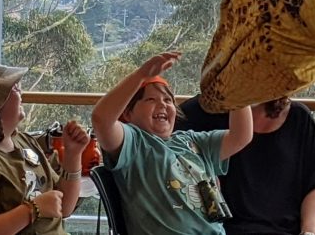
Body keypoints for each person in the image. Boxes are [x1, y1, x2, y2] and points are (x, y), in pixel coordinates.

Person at [91, 51, 253, 235]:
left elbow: (241, 136)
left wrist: (239, 90)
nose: (163, 105)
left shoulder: (193, 140)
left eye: (168, 100)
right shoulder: (134, 143)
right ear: (128, 114)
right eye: (151, 99)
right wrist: (141, 75)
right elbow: (101, 120)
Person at [0, 56, 90, 235]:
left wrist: (73, 155)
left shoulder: (25, 142)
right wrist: (32, 210)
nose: (20, 89)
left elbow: (63, 208)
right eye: (11, 87)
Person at [178, 94, 315, 235]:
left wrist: (309, 231)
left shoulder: (299, 117)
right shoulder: (199, 112)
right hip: (221, 230)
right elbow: (161, 150)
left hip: (287, 230)